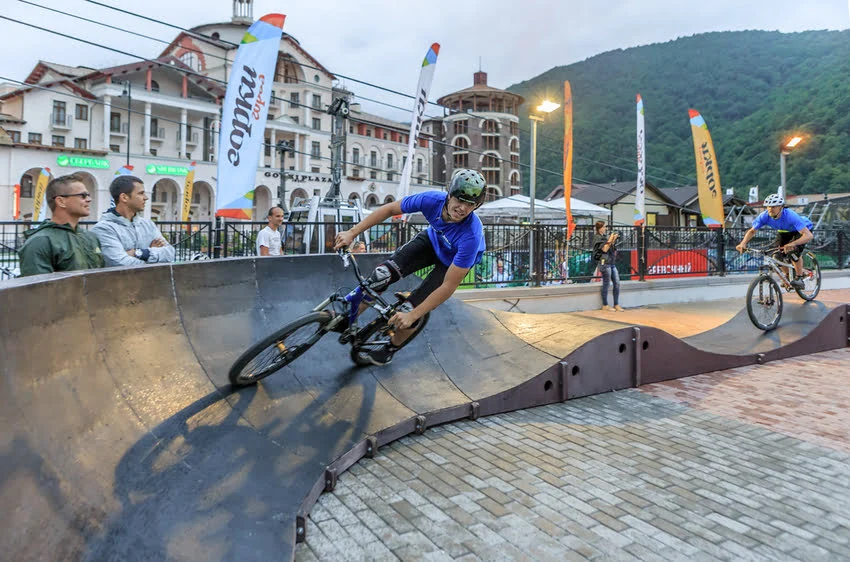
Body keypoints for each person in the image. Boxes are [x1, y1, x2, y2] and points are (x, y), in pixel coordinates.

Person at [333, 168, 487, 366]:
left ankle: (390, 349)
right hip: (432, 241)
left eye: (470, 204)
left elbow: (448, 286)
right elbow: (390, 209)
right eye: (460, 200)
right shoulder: (431, 199)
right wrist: (352, 233)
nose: (463, 208)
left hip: (452, 261)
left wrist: (413, 314)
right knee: (381, 275)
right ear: (449, 195)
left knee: (410, 311)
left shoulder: (471, 236)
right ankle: (349, 318)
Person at [18, 174, 105, 276]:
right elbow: (38, 288)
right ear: (61, 201)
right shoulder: (40, 242)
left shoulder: (91, 237)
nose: (89, 199)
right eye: (82, 196)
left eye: (88, 195)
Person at [91, 176, 175, 267]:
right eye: (141, 193)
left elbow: (170, 253)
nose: (146, 198)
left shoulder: (148, 224)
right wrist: (153, 256)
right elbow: (120, 262)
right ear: (124, 197)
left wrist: (139, 253)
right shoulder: (104, 229)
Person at [736, 193, 813, 288]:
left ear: (781, 207)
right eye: (768, 207)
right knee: (776, 256)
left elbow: (808, 236)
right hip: (784, 231)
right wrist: (743, 243)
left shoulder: (790, 216)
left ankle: (799, 278)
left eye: (774, 207)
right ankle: (788, 276)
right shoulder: (764, 216)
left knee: (793, 251)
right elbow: (752, 231)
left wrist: (793, 243)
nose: (770, 209)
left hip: (801, 231)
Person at [592, 221, 624, 311]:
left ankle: (616, 304)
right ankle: (605, 305)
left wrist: (613, 239)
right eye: (604, 227)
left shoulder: (604, 237)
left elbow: (610, 247)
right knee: (606, 283)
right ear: (600, 228)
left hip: (611, 262)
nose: (605, 228)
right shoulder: (597, 238)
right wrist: (610, 238)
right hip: (604, 262)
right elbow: (605, 249)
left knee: (617, 282)